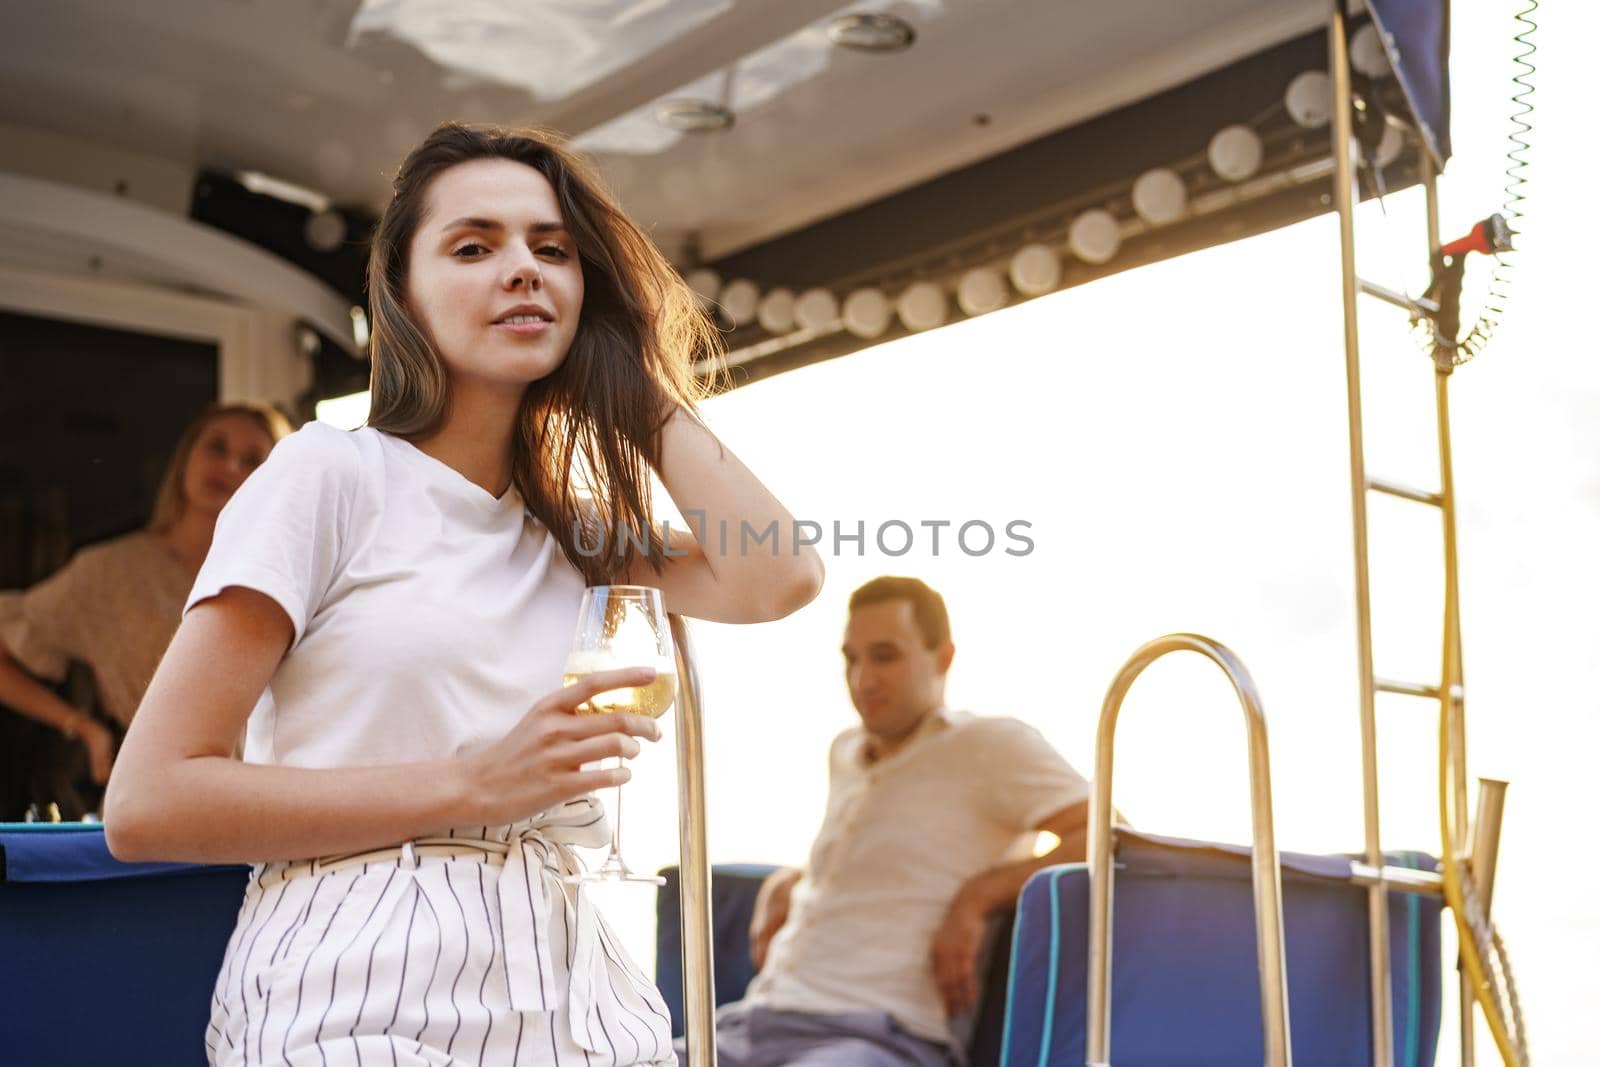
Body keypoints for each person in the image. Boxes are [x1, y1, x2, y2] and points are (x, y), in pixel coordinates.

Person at [103, 122, 824, 1067]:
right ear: (402, 295)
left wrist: (631, 379)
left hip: (577, 991)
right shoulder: (328, 472)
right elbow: (149, 801)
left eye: (553, 250)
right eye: (475, 245)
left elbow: (780, 574)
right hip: (357, 980)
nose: (523, 268)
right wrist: (475, 785)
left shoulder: (576, 529)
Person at [698, 576, 1090, 1067]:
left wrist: (980, 895)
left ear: (943, 658)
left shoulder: (992, 746)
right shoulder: (845, 751)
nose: (863, 680)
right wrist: (794, 878)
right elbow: (889, 855)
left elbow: (1107, 835)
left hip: (880, 1039)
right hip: (753, 1022)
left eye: (885, 656)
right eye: (851, 658)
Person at [0, 402, 289, 792]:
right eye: (216, 448)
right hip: (155, 802)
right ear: (187, 457)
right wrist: (82, 728)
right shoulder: (110, 571)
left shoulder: (280, 579)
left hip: (268, 801)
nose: (230, 466)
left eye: (252, 460)